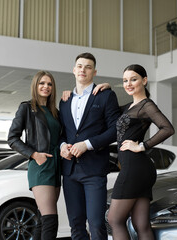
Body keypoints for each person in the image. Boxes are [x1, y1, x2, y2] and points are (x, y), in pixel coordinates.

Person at [107, 64, 175, 240]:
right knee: (140, 224)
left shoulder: (146, 105)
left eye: (133, 79)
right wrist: (106, 88)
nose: (128, 84)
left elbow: (167, 129)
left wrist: (142, 146)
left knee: (114, 219)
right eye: (125, 81)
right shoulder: (130, 106)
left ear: (144, 80)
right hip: (141, 169)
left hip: (134, 168)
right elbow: (111, 109)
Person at [59, 52, 121, 240]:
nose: (83, 70)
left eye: (87, 67)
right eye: (79, 66)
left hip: (94, 171)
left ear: (94, 72)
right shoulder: (64, 101)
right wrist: (62, 145)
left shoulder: (105, 96)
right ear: (73, 70)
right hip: (69, 172)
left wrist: (87, 144)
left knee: (96, 223)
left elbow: (115, 130)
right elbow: (61, 132)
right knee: (76, 225)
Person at [8, 70, 61, 240]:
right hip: (40, 165)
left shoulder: (55, 112)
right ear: (35, 86)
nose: (46, 87)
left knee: (42, 219)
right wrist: (34, 154)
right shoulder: (27, 108)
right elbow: (12, 138)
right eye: (42, 83)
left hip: (56, 166)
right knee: (50, 219)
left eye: (49, 84)